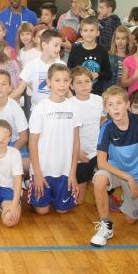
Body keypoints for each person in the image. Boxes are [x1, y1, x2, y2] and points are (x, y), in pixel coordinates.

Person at [90, 86, 138, 247]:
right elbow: (101, 163)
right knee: (99, 180)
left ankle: (128, 202)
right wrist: (127, 177)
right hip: (116, 171)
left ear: (127, 104)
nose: (115, 108)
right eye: (111, 105)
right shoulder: (106, 128)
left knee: (130, 220)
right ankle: (105, 225)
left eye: (119, 103)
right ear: (106, 109)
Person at [28, 64, 81, 215]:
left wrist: (72, 173)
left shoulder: (74, 107)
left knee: (62, 211)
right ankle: (31, 182)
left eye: (65, 80)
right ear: (49, 82)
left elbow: (76, 142)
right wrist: (37, 173)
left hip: (64, 171)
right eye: (57, 80)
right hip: (43, 170)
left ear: (70, 82)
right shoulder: (40, 108)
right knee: (42, 211)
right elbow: (32, 144)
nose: (62, 84)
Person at [71, 67, 105, 205]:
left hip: (98, 150)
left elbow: (103, 120)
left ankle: (105, 195)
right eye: (79, 82)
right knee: (78, 201)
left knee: (105, 176)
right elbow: (69, 131)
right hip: (81, 152)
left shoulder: (99, 100)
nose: (84, 85)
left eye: (87, 81)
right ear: (71, 86)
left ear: (92, 83)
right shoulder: (70, 104)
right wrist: (76, 151)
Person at [11, 29, 63, 107]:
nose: (59, 49)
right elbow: (19, 90)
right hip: (37, 110)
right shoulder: (32, 65)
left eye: (60, 46)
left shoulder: (62, 65)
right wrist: (4, 101)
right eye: (56, 45)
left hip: (57, 109)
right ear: (44, 45)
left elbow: (66, 90)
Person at [67, 17, 111, 96]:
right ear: (81, 32)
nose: (89, 33)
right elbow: (69, 69)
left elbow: (108, 74)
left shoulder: (102, 51)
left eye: (92, 30)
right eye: (85, 30)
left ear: (97, 32)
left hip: (96, 93)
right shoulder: (75, 49)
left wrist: (97, 74)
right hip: (78, 93)